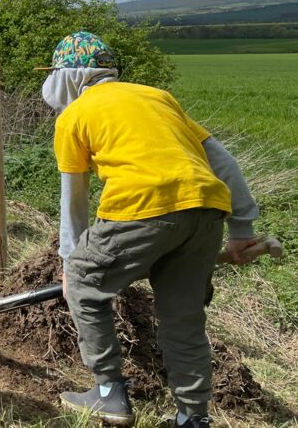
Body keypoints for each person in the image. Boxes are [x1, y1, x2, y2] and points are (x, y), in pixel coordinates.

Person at [39, 31, 258, 428]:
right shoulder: (156, 97)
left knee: (85, 281)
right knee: (182, 318)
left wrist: (71, 264)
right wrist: (241, 227)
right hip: (206, 209)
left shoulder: (74, 116)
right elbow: (222, 161)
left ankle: (108, 393)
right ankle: (192, 418)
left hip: (141, 208)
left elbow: (74, 199)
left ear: (70, 76)